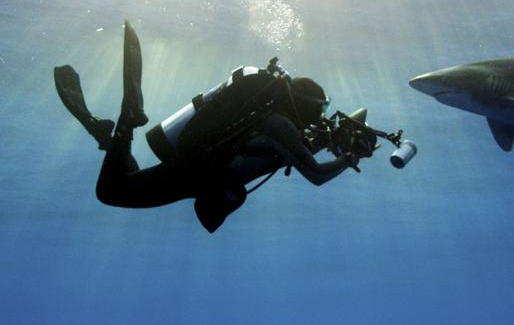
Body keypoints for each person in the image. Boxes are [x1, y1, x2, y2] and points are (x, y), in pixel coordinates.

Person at [55, 22, 370, 233]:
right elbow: (316, 175)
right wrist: (349, 159)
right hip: (194, 174)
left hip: (197, 169)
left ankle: (107, 135)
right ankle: (127, 120)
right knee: (111, 192)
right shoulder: (280, 125)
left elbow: (296, 151)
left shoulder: (273, 120)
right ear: (306, 105)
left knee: (124, 182)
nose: (320, 116)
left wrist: (339, 140)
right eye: (320, 108)